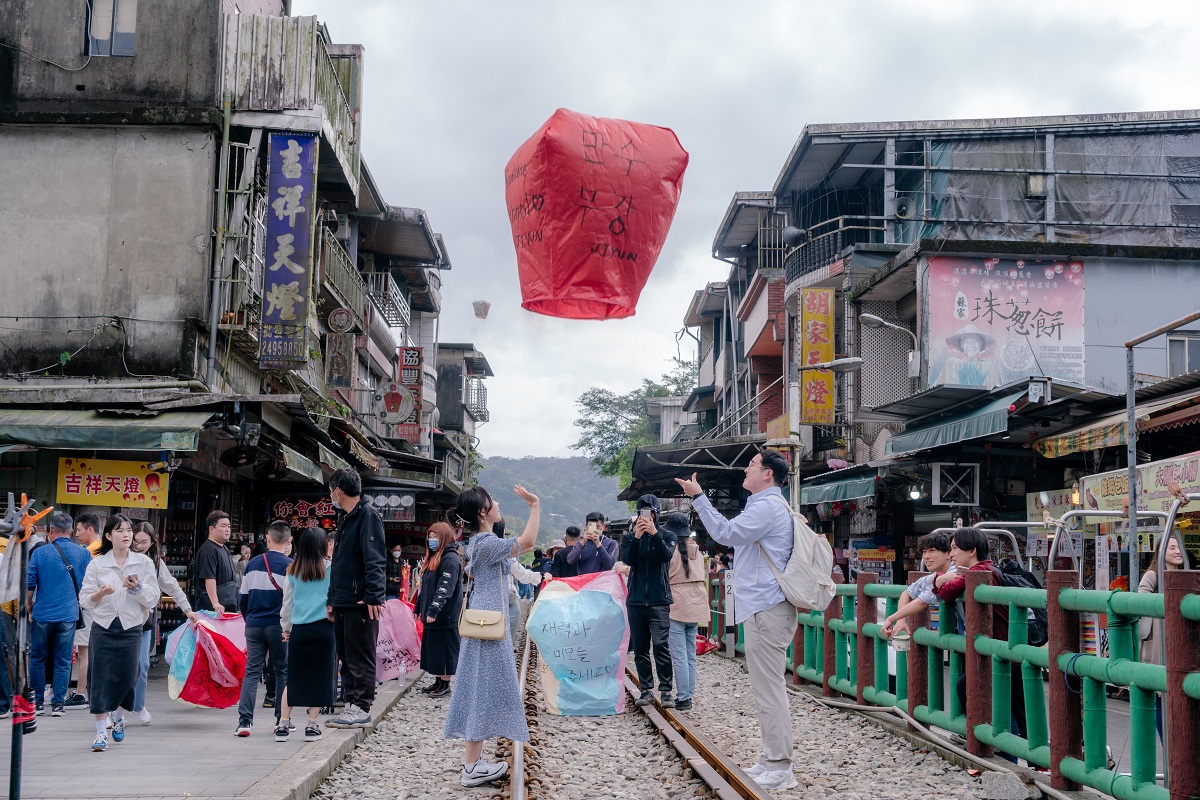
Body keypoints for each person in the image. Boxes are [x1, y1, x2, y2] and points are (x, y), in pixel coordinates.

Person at [676, 449, 798, 791]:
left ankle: (779, 766)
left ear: (768, 475)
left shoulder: (765, 506)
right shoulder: (772, 505)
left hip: (766, 605)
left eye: (752, 465)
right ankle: (771, 758)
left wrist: (699, 498)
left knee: (770, 688)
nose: (746, 469)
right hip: (766, 606)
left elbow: (726, 534)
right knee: (766, 688)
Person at [444, 484, 540, 787]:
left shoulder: (483, 542)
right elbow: (528, 541)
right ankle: (471, 767)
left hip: (487, 626)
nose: (497, 503)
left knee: (481, 689)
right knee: (482, 690)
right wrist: (535, 506)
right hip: (488, 628)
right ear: (483, 512)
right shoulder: (486, 542)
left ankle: (474, 762)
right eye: (491, 501)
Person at [932, 526, 1026, 762]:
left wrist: (941, 580)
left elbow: (946, 593)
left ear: (971, 550)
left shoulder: (983, 570)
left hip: (1003, 650)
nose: (951, 554)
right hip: (999, 649)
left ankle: (1007, 756)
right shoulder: (977, 570)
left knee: (1000, 702)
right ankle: (999, 750)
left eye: (954, 548)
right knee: (1004, 702)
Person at [78, 514, 159, 752]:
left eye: (128, 531)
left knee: (129, 676)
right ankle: (100, 734)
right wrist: (100, 593)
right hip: (103, 626)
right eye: (120, 531)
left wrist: (138, 589)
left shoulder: (143, 563)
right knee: (100, 678)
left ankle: (120, 716)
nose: (126, 535)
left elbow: (153, 599)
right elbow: (84, 600)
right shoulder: (97, 564)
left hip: (131, 625)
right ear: (108, 535)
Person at [325, 468, 387, 729]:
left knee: (361, 653)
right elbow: (338, 563)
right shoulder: (346, 517)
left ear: (338, 491)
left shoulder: (367, 515)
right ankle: (351, 703)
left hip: (361, 600)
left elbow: (374, 558)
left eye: (330, 491)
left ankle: (361, 706)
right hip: (343, 599)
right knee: (347, 654)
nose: (330, 495)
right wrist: (332, 597)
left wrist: (374, 595)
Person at [130, 522, 198, 725]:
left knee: (141, 665)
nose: (139, 545)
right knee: (121, 667)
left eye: (144, 542)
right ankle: (113, 709)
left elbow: (173, 588)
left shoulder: (156, 563)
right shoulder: (123, 559)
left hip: (143, 623)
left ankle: (138, 706)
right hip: (120, 621)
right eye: (136, 541)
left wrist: (187, 610)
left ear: (152, 543)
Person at [27, 512, 91, 716]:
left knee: (37, 658)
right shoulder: (83, 554)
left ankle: (37, 703)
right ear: (71, 532)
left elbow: (30, 583)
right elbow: (88, 584)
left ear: (50, 531)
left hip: (43, 614)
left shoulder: (40, 553)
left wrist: (29, 605)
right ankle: (58, 705)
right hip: (68, 614)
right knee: (63, 660)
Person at [235, 521, 292, 736]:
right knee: (282, 671)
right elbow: (291, 600)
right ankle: (281, 720)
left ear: (267, 538)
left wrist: (248, 618)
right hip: (278, 626)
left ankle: (244, 721)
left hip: (254, 624)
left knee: (251, 672)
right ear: (288, 541)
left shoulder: (252, 564)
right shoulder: (291, 565)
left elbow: (243, 598)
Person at [278, 527, 335, 744]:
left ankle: (283, 724)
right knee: (320, 677)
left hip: (299, 630)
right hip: (324, 629)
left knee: (294, 677)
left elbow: (287, 605)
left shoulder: (292, 571)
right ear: (322, 545)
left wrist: (286, 628)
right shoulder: (330, 569)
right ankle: (312, 726)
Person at [621, 494, 677, 708]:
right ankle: (646, 689)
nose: (647, 516)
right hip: (635, 600)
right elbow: (628, 560)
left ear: (656, 514)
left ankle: (665, 691)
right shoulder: (629, 537)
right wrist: (636, 536)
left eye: (650, 512)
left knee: (661, 645)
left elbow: (665, 556)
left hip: (659, 599)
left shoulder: (667, 535)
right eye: (643, 512)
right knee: (641, 648)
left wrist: (654, 534)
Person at [1138, 535, 1184, 740]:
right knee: (1159, 696)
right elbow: (1141, 602)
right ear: (1161, 551)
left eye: (1179, 547)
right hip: (1158, 644)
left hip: (1181, 642)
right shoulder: (1152, 576)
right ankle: (1168, 748)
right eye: (1172, 547)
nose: (1177, 551)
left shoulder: (1187, 575)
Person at [416, 522, 462, 698]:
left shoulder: (450, 559)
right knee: (435, 649)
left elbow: (445, 589)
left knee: (445, 649)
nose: (431, 540)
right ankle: (438, 681)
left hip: (444, 615)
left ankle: (445, 684)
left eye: (435, 536)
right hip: (432, 614)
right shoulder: (435, 557)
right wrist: (420, 607)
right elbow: (425, 587)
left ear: (444, 537)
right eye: (429, 536)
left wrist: (434, 610)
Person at [665, 513, 705, 712]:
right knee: (690, 654)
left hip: (677, 603)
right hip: (697, 603)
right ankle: (688, 695)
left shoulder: (670, 551)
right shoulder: (698, 551)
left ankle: (682, 697)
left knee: (678, 654)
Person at [880, 531, 955, 639]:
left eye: (932, 551)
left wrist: (891, 619)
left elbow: (922, 602)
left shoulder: (955, 571)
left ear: (949, 553)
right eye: (924, 552)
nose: (926, 557)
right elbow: (908, 592)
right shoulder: (937, 575)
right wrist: (901, 621)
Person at [69, 512, 102, 709]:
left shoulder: (89, 552)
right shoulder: (103, 549)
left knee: (84, 652)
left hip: (89, 605)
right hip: (99, 606)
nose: (77, 534)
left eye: (80, 530)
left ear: (91, 529)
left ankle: (81, 693)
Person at [193, 511, 237, 614]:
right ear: (211, 529)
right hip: (211, 610)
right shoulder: (208, 550)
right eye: (223, 526)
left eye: (229, 526)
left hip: (227, 607)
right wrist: (215, 603)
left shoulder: (224, 548)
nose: (227, 530)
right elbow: (209, 578)